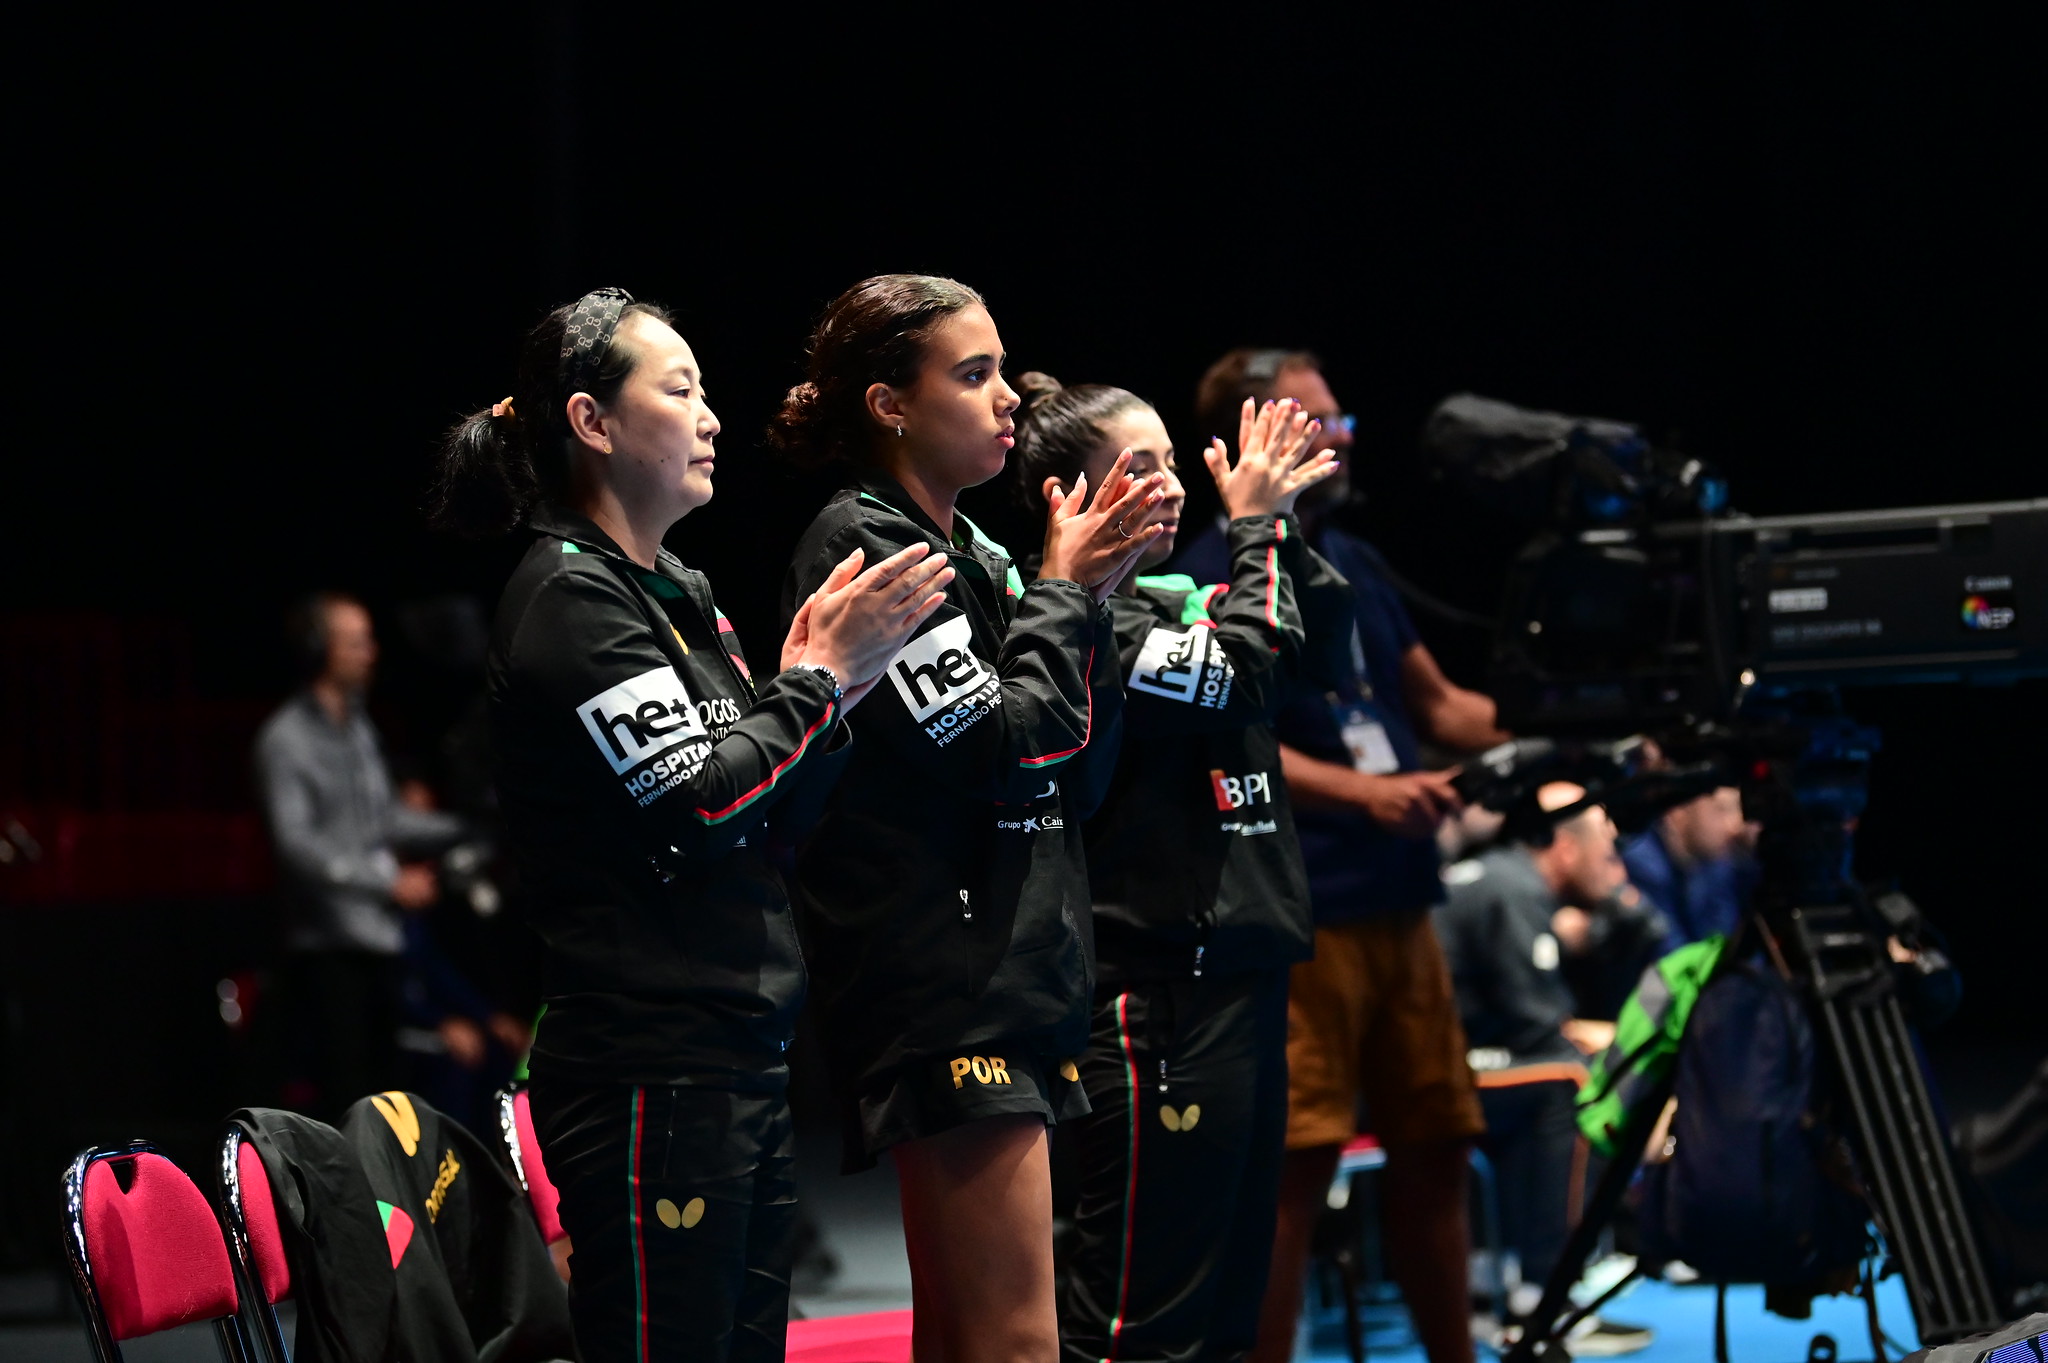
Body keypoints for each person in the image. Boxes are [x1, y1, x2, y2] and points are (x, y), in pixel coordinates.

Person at [432, 286, 951, 1361]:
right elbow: (703, 805)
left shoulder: (678, 591)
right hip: (649, 1077)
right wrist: (813, 683)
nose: (712, 415)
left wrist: (833, 694)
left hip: (736, 1060)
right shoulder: (571, 603)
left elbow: (777, 808)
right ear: (593, 422)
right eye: (679, 390)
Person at [771, 275, 1157, 1361]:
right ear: (889, 402)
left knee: (961, 1338)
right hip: (946, 988)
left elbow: (1071, 772)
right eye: (973, 374)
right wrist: (1065, 593)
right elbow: (1005, 750)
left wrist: (1095, 595)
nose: (1007, 402)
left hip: (1008, 969)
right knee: (1017, 1345)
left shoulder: (973, 553)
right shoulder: (871, 551)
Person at [1175, 349, 1507, 1363]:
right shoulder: (1204, 570)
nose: (1340, 438)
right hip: (1298, 916)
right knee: (1295, 1169)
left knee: (1437, 1145)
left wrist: (1589, 719)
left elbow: (1442, 707)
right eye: (1312, 423)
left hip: (1402, 909)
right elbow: (1220, 730)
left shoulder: (1354, 563)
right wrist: (1367, 792)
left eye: (1338, 418)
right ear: (1246, 444)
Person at [1011, 378, 1349, 1361]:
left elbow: (1318, 649)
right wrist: (1253, 530)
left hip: (1236, 979)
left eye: (1170, 463)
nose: (1168, 485)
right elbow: (1250, 670)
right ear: (1065, 497)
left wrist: (1279, 518)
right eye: (1139, 465)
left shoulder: (1183, 602)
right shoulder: (1095, 628)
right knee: (1140, 1320)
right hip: (1151, 996)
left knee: (1225, 1316)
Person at [1434, 783, 1652, 1355]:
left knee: (1559, 1074)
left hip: (1455, 1064)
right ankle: (1546, 1290)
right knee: (1571, 1079)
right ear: (1566, 850)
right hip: (1424, 1076)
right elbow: (1539, 1027)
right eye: (1608, 855)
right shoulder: (1514, 890)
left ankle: (1494, 1283)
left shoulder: (1505, 878)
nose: (1618, 870)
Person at [254, 591, 466, 1121]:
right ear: (319, 649)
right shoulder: (285, 739)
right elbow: (295, 844)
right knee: (344, 1104)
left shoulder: (361, 729)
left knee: (389, 1103)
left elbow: (384, 820)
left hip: (380, 943)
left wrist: (466, 829)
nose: (370, 652)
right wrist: (386, 881)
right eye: (357, 642)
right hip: (328, 955)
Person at [1621, 786, 1756, 952]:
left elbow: (1725, 936)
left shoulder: (1713, 863)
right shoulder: (1641, 866)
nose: (1735, 826)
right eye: (1721, 810)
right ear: (1678, 810)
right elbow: (1673, 958)